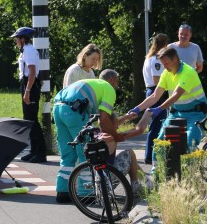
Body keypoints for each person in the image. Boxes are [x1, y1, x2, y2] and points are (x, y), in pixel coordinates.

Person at [53, 70, 146, 203]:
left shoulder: (93, 85)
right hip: (75, 111)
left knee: (67, 155)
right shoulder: (108, 89)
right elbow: (104, 119)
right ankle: (87, 193)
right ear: (113, 80)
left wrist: (124, 118)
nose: (116, 86)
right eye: (117, 83)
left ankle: (62, 192)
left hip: (58, 108)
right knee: (85, 154)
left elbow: (105, 121)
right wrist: (116, 135)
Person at [128, 45, 207, 156]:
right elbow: (155, 96)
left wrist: (159, 109)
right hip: (176, 113)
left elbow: (176, 95)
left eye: (166, 63)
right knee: (159, 145)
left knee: (190, 144)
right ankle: (156, 172)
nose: (164, 67)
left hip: (195, 114)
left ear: (175, 59)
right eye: (162, 64)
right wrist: (137, 109)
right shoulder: (166, 73)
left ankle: (188, 172)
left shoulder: (188, 72)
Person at [11, 26, 47, 163]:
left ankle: (41, 152)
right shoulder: (25, 51)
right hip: (27, 85)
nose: (16, 42)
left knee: (32, 121)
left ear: (22, 39)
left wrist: (27, 92)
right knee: (28, 120)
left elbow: (32, 72)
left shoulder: (29, 51)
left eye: (16, 39)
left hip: (30, 86)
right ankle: (34, 150)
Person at [141, 33, 170, 164]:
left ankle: (151, 154)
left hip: (152, 91)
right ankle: (150, 155)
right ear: (164, 44)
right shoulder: (157, 60)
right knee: (157, 125)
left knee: (157, 124)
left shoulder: (149, 58)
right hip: (157, 92)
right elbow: (157, 79)